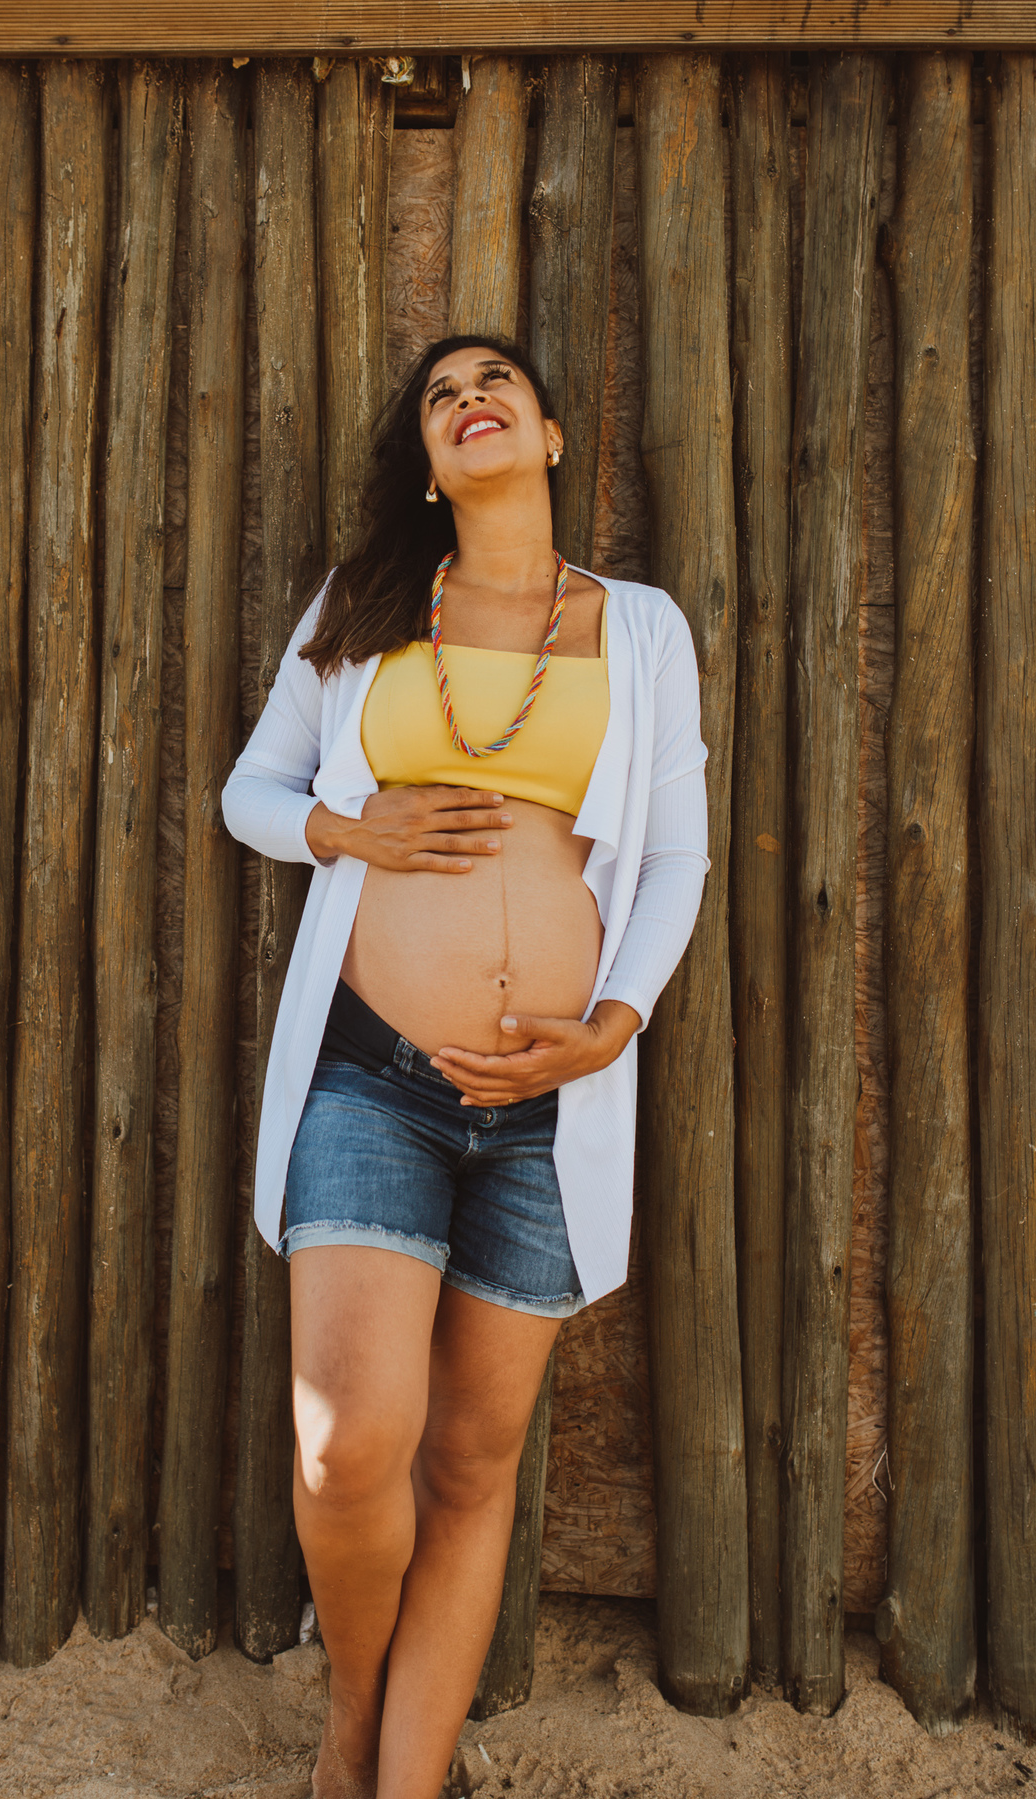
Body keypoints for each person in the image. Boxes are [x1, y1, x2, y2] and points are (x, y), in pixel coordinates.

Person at [222, 334, 710, 1799]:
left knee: (472, 1469)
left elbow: (674, 856)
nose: (469, 399)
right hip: (369, 1077)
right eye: (441, 396)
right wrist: (347, 832)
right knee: (347, 1446)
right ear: (430, 462)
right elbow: (255, 786)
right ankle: (359, 1712)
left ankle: (405, 1779)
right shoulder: (366, 609)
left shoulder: (640, 629)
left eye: (494, 381)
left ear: (550, 433)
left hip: (552, 1109)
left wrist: (615, 1023)